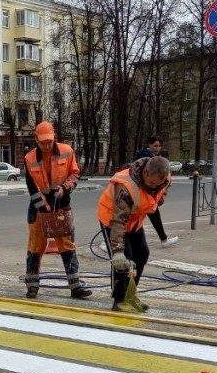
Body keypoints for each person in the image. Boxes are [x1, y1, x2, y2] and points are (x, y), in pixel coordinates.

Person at [23, 121, 92, 300]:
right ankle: (32, 286)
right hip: (39, 207)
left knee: (67, 245)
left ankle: (75, 286)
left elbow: (75, 174)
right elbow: (32, 187)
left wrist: (65, 188)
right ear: (36, 140)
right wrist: (46, 209)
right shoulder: (30, 158)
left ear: (54, 137)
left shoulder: (67, 151)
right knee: (35, 246)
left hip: (61, 204)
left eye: (49, 141)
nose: (46, 145)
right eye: (42, 142)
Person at [97, 155, 173, 313]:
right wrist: (117, 250)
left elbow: (160, 194)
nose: (154, 187)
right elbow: (118, 220)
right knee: (124, 258)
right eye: (151, 183)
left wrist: (158, 199)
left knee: (142, 253)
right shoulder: (126, 187)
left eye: (158, 184)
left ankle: (130, 295)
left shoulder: (164, 180)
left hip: (134, 219)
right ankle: (119, 300)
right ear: (145, 172)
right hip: (112, 217)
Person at [132, 135, 178, 247]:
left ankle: (163, 239)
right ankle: (163, 239)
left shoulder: (148, 156)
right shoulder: (146, 156)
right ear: (149, 144)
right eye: (155, 145)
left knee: (149, 215)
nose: (157, 148)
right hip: (144, 192)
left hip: (146, 192)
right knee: (142, 216)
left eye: (159, 146)